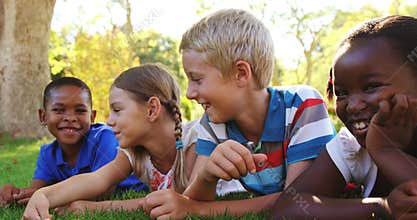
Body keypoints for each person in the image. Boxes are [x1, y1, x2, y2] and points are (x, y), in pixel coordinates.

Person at [142, 9, 335, 219]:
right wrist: (206, 176)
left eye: (197, 79)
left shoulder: (302, 105)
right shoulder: (213, 122)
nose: (189, 94)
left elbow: (296, 200)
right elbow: (192, 199)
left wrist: (197, 210)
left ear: (241, 73)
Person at [272, 15, 417, 219]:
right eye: (342, 92)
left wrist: (387, 150)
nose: (353, 105)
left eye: (371, 87)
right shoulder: (351, 146)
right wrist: (382, 207)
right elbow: (286, 209)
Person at [22, 64, 199, 219]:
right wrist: (44, 195)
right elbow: (96, 179)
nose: (109, 121)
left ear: (152, 109)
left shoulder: (194, 142)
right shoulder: (134, 152)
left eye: (117, 110)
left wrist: (96, 208)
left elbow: (180, 202)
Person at [0, 77, 146, 207]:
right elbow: (37, 190)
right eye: (59, 110)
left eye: (80, 111)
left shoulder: (105, 137)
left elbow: (103, 191)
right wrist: (15, 194)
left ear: (92, 116)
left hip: (133, 189)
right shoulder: (48, 153)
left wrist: (53, 199)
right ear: (43, 116)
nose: (70, 118)